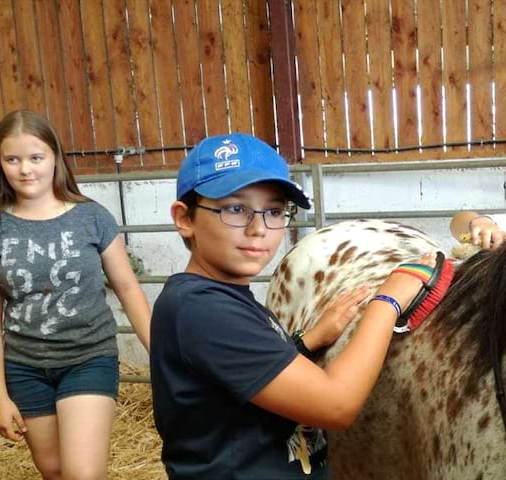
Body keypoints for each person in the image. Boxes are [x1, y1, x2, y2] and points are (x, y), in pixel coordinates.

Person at [150, 133, 435, 479]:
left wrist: (308, 340)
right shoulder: (200, 309)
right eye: (236, 209)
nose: (259, 229)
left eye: (273, 211)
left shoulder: (223, 298)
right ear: (185, 218)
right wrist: (387, 301)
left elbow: (245, 375)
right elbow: (337, 405)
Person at [0, 110, 151, 479]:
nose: (25, 169)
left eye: (36, 157)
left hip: (88, 357)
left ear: (55, 157)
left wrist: (162, 356)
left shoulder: (92, 217)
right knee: (53, 471)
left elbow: (128, 287)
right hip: (24, 366)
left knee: (81, 474)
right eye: (12, 159)